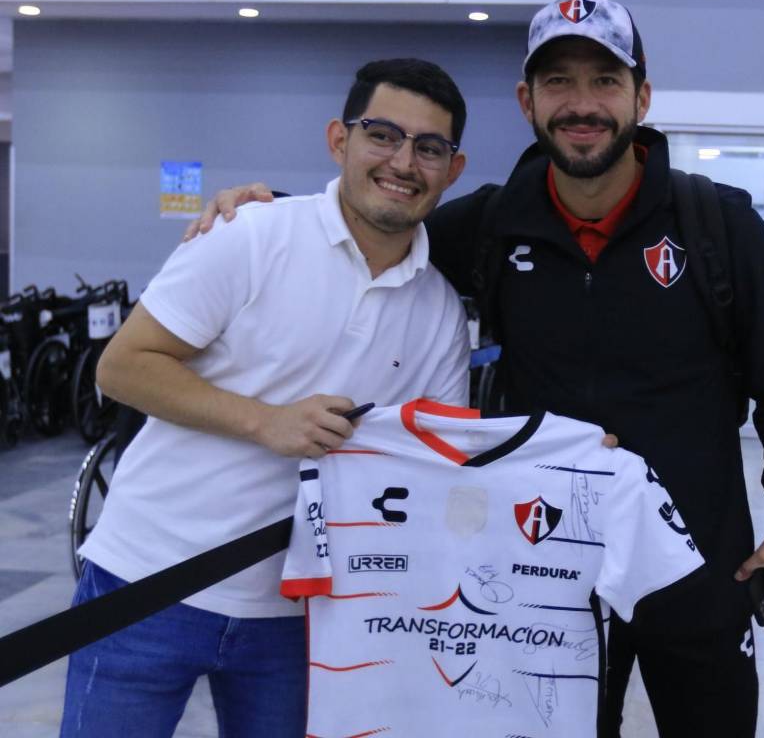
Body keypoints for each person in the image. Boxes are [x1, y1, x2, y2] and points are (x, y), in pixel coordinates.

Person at [190, 0, 764, 738]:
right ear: (527, 101)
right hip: (538, 568)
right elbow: (381, 222)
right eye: (559, 82)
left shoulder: (715, 223)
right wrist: (274, 209)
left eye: (604, 81)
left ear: (641, 97)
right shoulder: (494, 225)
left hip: (696, 552)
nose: (581, 104)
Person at [60, 59, 473, 737]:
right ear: (339, 140)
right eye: (383, 135)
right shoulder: (252, 234)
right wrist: (265, 422)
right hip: (147, 581)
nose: (404, 161)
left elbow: (436, 467)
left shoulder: (441, 313)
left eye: (430, 147)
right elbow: (123, 367)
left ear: (452, 171)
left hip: (304, 617)